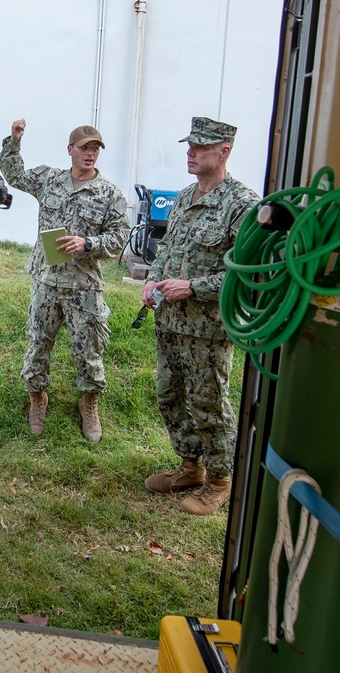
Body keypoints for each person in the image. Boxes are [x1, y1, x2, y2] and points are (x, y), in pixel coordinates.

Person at [142, 117, 260, 515]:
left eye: (200, 147)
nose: (190, 153)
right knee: (169, 396)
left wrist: (193, 287)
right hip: (170, 321)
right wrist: (152, 282)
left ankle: (222, 480)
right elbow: (166, 251)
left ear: (224, 151)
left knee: (208, 403)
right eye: (189, 145)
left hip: (207, 328)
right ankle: (190, 467)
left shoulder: (243, 205)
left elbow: (249, 275)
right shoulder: (183, 197)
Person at [0, 119, 129, 442]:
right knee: (38, 343)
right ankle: (37, 398)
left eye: (95, 148)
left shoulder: (110, 194)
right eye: (84, 147)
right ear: (69, 150)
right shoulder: (49, 180)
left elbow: (119, 237)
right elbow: (14, 175)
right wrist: (14, 141)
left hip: (84, 285)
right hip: (47, 279)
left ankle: (88, 402)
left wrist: (88, 243)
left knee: (89, 349)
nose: (90, 153)